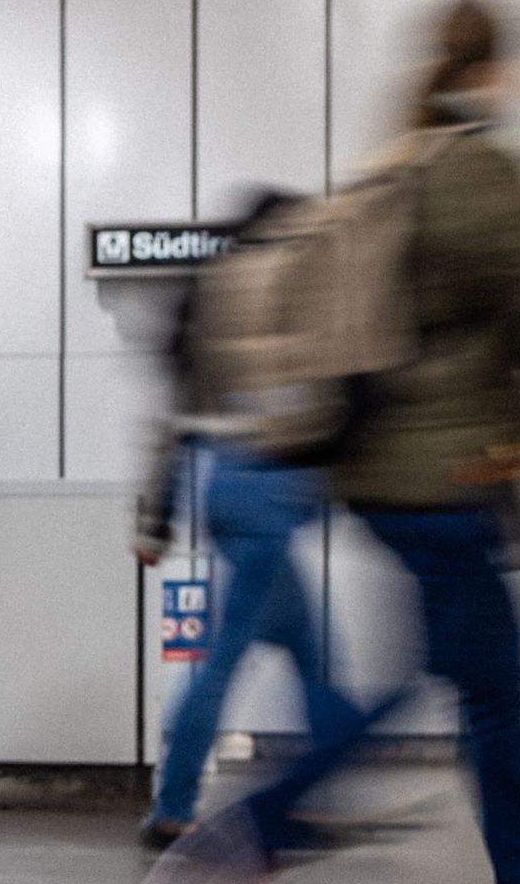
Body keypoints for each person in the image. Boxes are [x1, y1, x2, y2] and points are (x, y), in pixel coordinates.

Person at [151, 0, 520, 884]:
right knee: (462, 685)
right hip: (449, 480)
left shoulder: (394, 163)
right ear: (491, 71)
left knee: (490, 686)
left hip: (393, 477)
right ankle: (243, 846)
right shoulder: (471, 173)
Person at [132, 191, 377, 848]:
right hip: (263, 486)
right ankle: (175, 806)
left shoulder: (212, 293)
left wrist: (156, 518)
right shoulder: (278, 291)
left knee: (313, 651)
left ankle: (309, 793)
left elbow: (175, 419)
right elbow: (327, 399)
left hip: (223, 480)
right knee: (222, 654)